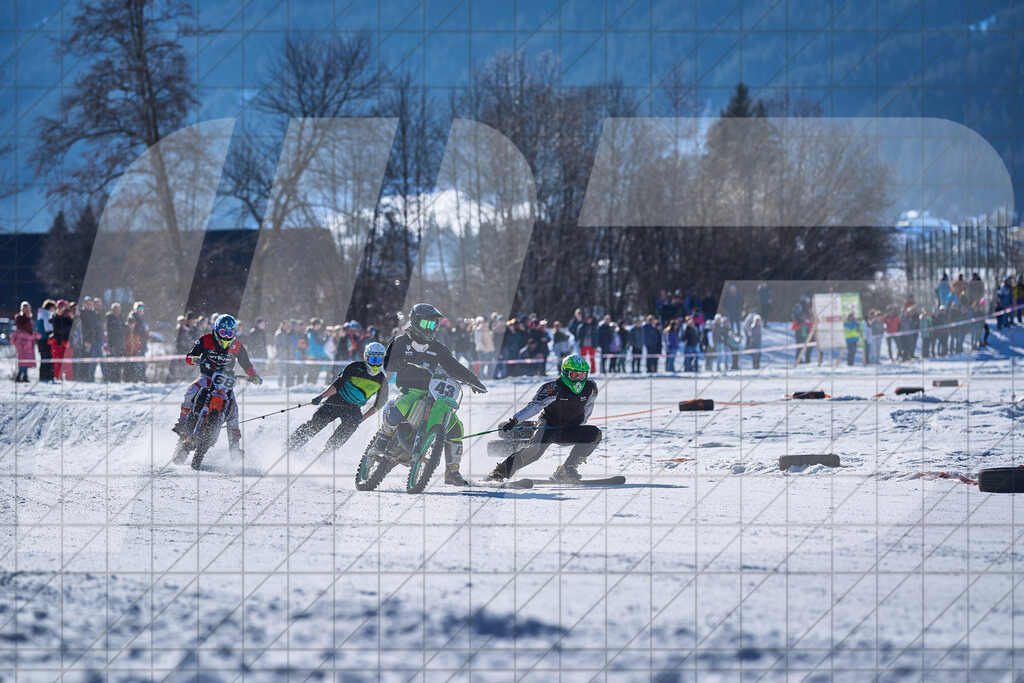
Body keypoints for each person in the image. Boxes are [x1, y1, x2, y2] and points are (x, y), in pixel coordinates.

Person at [371, 303, 487, 486]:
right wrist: (405, 361)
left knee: (456, 427)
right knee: (404, 405)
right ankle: (383, 438)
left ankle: (452, 471)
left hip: (434, 392)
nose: (431, 328)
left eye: (433, 325)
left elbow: (453, 366)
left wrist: (473, 380)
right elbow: (388, 364)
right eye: (427, 324)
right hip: (410, 389)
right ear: (415, 322)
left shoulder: (438, 348)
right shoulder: (401, 342)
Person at [485, 354, 601, 483]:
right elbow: (534, 407)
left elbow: (588, 407)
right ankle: (499, 472)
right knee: (534, 451)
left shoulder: (591, 388)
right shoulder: (552, 388)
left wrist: (580, 424)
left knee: (594, 434)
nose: (579, 380)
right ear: (565, 373)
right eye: (574, 375)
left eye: (582, 375)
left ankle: (567, 469)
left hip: (569, 429)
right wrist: (515, 420)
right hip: (548, 426)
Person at [171, 314, 263, 456]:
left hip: (225, 381)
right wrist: (195, 359)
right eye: (223, 332)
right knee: (190, 391)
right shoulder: (206, 339)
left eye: (230, 333)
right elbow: (189, 356)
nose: (226, 336)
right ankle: (182, 422)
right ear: (216, 330)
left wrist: (254, 375)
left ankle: (234, 448)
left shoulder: (237, 346)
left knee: (234, 412)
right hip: (207, 377)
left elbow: (247, 364)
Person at [287, 342, 389, 455]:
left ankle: (327, 452)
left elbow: (379, 404)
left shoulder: (382, 380)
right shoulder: (354, 367)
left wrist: (362, 418)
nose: (375, 365)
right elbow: (337, 385)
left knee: (351, 425)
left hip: (353, 407)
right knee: (317, 423)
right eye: (372, 360)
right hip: (336, 400)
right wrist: (321, 396)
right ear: (366, 358)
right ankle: (291, 445)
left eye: (378, 361)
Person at [12, 302, 40, 383]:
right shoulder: (20, 318)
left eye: (27, 308)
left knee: (27, 359)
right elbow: (21, 327)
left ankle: (24, 375)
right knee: (22, 359)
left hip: (29, 341)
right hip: (21, 342)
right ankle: (20, 375)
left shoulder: (29, 318)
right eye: (24, 308)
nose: (26, 310)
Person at [35, 300, 55, 382]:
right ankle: (47, 376)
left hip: (40, 339)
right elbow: (48, 327)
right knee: (48, 357)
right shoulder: (46, 314)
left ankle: (43, 376)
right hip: (45, 339)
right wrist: (52, 334)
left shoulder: (40, 314)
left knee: (43, 358)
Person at [106, 303, 126, 382]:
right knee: (113, 363)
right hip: (113, 343)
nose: (118, 311)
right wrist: (120, 329)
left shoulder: (121, 318)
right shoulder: (110, 318)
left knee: (120, 363)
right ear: (113, 310)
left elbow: (124, 328)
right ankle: (113, 379)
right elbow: (112, 330)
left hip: (121, 343)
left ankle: (118, 379)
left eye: (119, 309)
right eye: (116, 310)